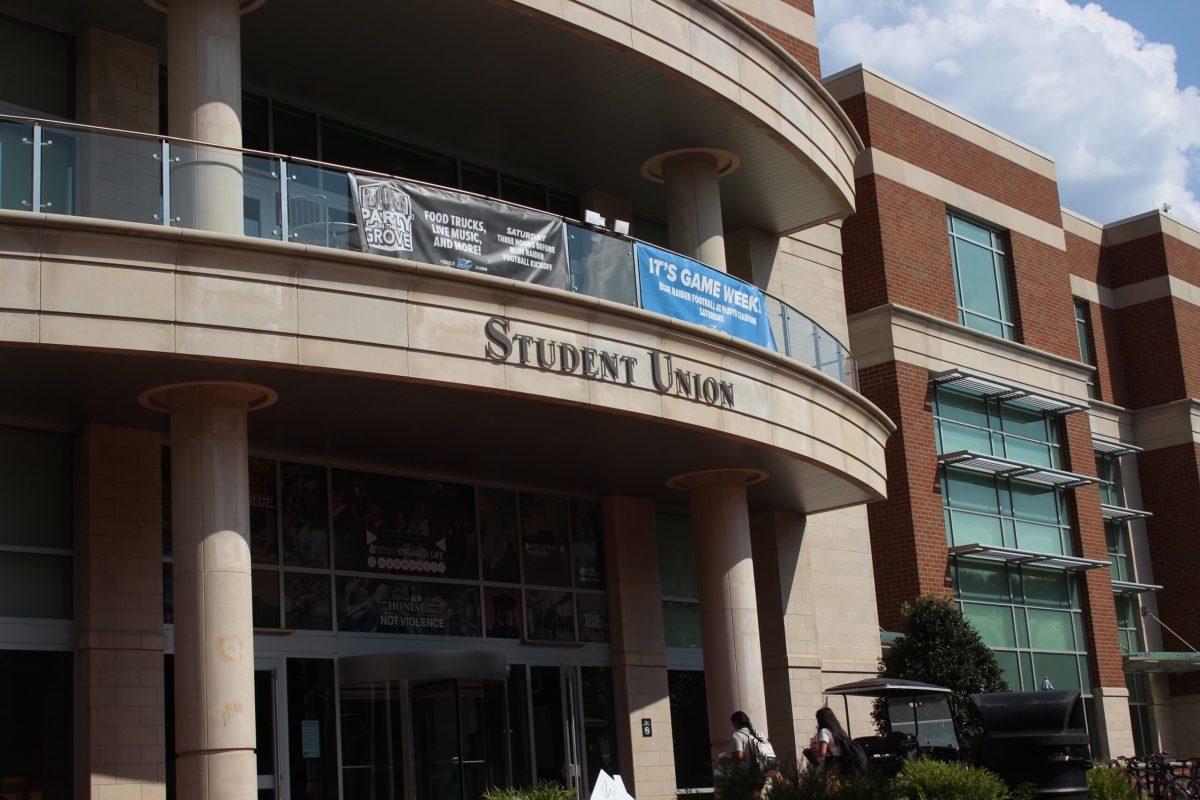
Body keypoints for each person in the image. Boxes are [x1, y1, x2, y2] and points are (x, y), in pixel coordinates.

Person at [808, 707, 849, 772]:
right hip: (844, 762)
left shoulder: (824, 731)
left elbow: (822, 753)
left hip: (832, 762)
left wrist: (813, 751)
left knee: (832, 782)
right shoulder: (839, 730)